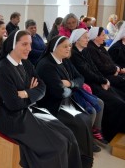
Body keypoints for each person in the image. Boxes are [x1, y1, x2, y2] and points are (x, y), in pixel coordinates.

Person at [0, 30, 82, 168]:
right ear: (13, 44)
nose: (29, 49)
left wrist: (26, 93)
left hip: (28, 110)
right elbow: (13, 104)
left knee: (69, 135)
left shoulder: (25, 64)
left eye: (30, 44)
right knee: (58, 145)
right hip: (11, 119)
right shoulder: (2, 70)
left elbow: (42, 87)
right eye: (24, 44)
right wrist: (32, 93)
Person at [36, 36, 94, 168]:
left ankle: (84, 158)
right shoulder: (46, 65)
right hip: (51, 106)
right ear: (55, 48)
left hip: (65, 101)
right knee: (79, 121)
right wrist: (72, 87)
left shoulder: (64, 60)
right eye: (65, 46)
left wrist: (70, 83)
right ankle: (77, 159)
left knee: (85, 117)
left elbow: (80, 78)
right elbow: (59, 92)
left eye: (69, 46)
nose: (68, 48)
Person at [70, 28, 125, 142]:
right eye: (85, 38)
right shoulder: (74, 54)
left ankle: (119, 129)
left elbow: (94, 68)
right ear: (77, 40)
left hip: (98, 82)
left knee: (120, 99)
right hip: (89, 85)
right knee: (117, 103)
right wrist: (103, 81)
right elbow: (86, 73)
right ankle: (109, 133)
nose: (87, 39)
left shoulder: (84, 50)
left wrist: (104, 80)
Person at [86, 27, 125, 94]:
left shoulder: (100, 47)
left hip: (112, 73)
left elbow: (111, 61)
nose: (106, 37)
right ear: (96, 37)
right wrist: (115, 69)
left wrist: (117, 68)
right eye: (103, 35)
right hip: (104, 76)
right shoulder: (91, 49)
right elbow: (100, 66)